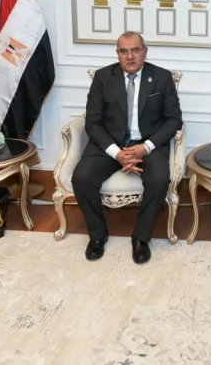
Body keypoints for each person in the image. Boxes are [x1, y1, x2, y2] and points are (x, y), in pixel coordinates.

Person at [73, 33, 183, 264]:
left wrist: (146, 147)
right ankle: (97, 235)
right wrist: (117, 153)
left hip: (146, 144)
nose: (130, 56)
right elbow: (92, 122)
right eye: (124, 51)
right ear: (117, 54)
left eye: (135, 50)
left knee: (159, 179)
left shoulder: (161, 77)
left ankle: (140, 237)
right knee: (81, 178)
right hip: (109, 143)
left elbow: (173, 120)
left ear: (145, 52)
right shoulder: (103, 77)